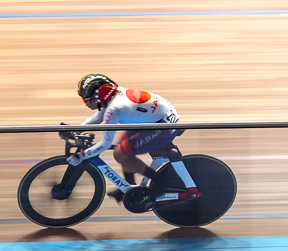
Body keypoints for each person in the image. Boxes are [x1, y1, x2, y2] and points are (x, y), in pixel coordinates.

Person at [67, 74, 197, 207]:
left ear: (97, 97)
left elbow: (105, 144)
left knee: (121, 153)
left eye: (85, 99)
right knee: (122, 145)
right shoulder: (111, 97)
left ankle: (161, 183)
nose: (85, 102)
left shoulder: (114, 108)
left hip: (163, 125)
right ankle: (130, 187)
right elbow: (97, 117)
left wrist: (81, 156)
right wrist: (76, 130)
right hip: (156, 119)